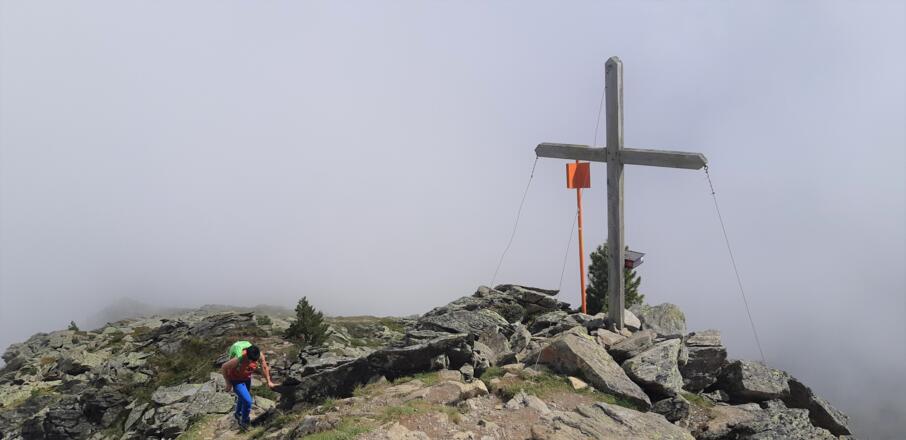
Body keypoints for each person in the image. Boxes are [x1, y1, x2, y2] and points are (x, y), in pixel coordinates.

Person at [221, 341, 277, 430]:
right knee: (248, 401)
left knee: (243, 397)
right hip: (236, 379)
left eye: (253, 360)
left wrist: (269, 381)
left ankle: (237, 414)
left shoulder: (259, 355)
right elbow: (224, 367)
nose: (251, 362)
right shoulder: (238, 358)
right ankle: (245, 422)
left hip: (246, 377)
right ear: (246, 354)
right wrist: (228, 383)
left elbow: (264, 367)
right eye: (250, 359)